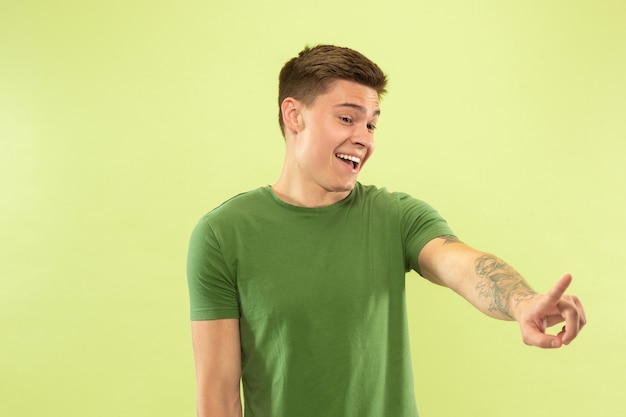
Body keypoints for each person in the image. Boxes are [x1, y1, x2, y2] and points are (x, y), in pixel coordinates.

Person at [186, 44, 586, 417]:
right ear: (294, 115)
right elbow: (218, 396)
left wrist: (521, 302)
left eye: (372, 124)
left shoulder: (396, 216)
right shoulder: (223, 234)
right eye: (347, 118)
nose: (363, 138)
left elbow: (462, 264)